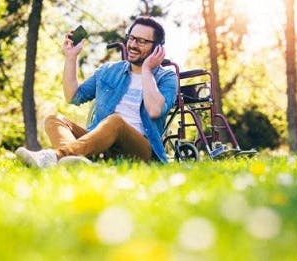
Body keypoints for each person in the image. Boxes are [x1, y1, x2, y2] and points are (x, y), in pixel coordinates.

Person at [15, 16, 178, 168]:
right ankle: (76, 162)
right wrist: (71, 57)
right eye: (132, 38)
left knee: (115, 121)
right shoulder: (108, 70)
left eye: (142, 41)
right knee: (55, 120)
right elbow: (73, 96)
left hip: (141, 150)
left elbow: (155, 110)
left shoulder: (167, 77)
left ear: (157, 48)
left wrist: (147, 70)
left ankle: (55, 157)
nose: (133, 45)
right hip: (100, 142)